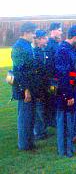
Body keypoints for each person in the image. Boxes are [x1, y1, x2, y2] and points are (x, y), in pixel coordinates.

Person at [55, 25, 76, 157]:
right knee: (65, 124)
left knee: (70, 123)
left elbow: (74, 72)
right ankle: (65, 152)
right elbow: (63, 75)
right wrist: (69, 95)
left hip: (73, 92)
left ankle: (69, 148)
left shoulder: (72, 50)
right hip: (65, 95)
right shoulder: (63, 51)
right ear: (75, 37)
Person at [11, 22, 37, 150]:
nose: (34, 35)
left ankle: (29, 142)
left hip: (29, 86)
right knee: (25, 116)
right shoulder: (19, 47)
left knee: (30, 116)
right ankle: (24, 144)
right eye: (33, 32)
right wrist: (26, 89)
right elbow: (19, 71)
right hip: (24, 88)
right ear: (26, 32)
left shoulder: (27, 45)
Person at [45, 22, 63, 127]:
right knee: (52, 100)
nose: (61, 32)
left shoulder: (56, 44)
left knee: (55, 99)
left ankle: (53, 121)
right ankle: (51, 122)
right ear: (53, 31)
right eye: (59, 30)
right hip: (52, 79)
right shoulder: (49, 44)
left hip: (56, 78)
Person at [32, 30, 49, 140]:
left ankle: (42, 130)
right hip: (38, 87)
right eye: (44, 38)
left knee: (42, 109)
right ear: (38, 39)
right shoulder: (35, 53)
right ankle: (39, 132)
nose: (46, 39)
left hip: (43, 86)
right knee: (39, 110)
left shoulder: (42, 51)